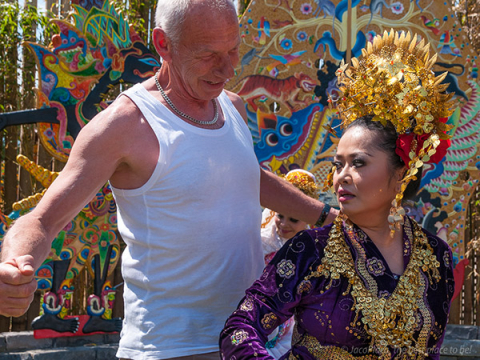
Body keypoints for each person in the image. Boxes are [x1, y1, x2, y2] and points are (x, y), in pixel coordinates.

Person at [0, 0, 337, 359]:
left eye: (233, 50)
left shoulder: (233, 107)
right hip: (170, 347)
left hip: (248, 339)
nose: (226, 69)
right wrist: (14, 266)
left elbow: (246, 178)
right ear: (164, 44)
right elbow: (43, 219)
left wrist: (329, 219)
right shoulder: (125, 126)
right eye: (208, 55)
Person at [220, 30, 455, 359]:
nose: (341, 176)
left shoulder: (436, 257)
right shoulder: (309, 251)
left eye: (358, 163)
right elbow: (240, 329)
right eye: (337, 164)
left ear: (400, 173)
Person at [260, 169, 320, 358]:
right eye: (280, 216)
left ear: (308, 219)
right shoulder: (261, 241)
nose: (284, 224)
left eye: (293, 219)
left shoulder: (315, 251)